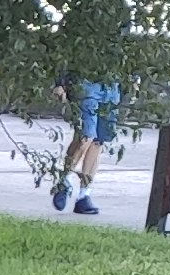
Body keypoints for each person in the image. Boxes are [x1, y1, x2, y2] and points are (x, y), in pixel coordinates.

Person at [51, 77, 120, 212]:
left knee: (98, 141)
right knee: (85, 137)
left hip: (111, 88)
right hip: (87, 85)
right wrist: (61, 84)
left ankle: (84, 194)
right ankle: (65, 181)